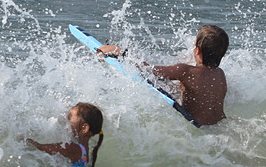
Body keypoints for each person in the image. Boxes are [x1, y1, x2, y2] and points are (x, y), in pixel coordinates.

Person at [97, 25, 229, 126]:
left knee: (168, 84)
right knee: (175, 88)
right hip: (219, 125)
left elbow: (148, 70)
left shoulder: (186, 71)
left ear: (197, 50)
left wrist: (119, 51)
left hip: (197, 126)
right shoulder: (220, 74)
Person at [26, 102, 104, 167]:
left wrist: (23, 139)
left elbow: (40, 147)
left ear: (84, 128)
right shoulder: (84, 148)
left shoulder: (73, 148)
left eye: (69, 117)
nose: (66, 121)